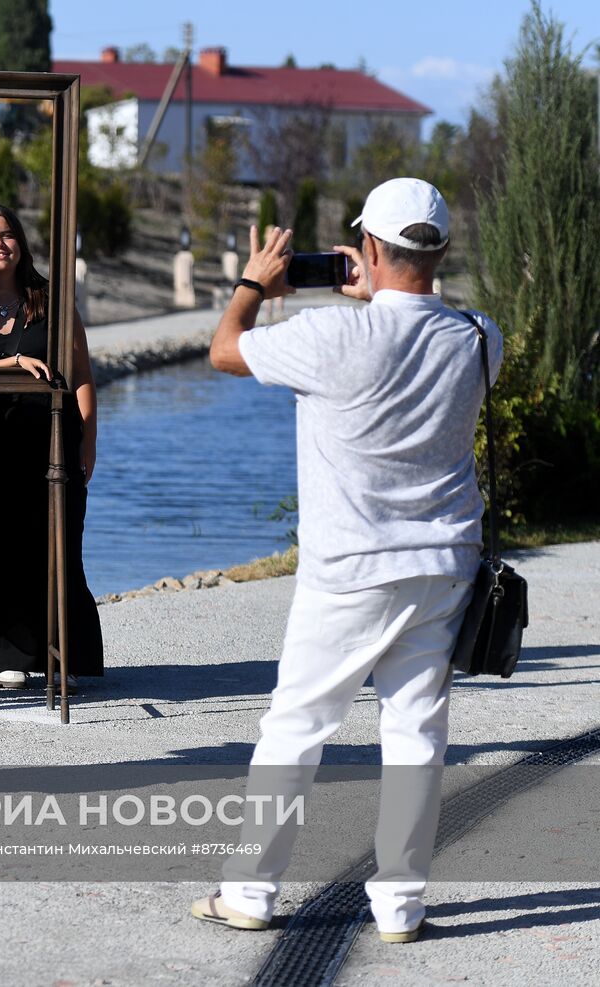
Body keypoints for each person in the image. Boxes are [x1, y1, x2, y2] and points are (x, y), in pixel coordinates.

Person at [188, 178, 503, 942]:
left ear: (366, 248)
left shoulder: (333, 337)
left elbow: (224, 350)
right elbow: (415, 337)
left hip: (351, 568)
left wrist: (251, 285)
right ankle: (401, 907)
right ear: (443, 250)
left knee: (297, 725)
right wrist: (381, 294)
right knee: (416, 733)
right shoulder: (478, 334)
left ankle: (250, 894)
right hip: (443, 563)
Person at [0, 204, 103, 690]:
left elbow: (80, 374)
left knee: (57, 544)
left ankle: (64, 655)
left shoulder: (52, 301)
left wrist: (89, 439)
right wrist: (10, 363)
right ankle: (5, 655)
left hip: (52, 440)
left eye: (8, 234)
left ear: (22, 243)